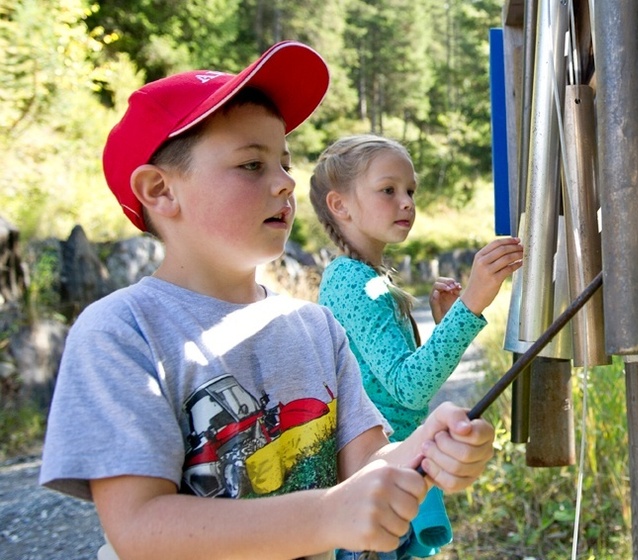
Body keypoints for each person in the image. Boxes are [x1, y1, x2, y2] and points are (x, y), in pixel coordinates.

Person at [38, 41, 495, 560]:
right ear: (161, 190)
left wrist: (430, 449)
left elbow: (368, 466)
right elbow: (140, 527)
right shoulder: (121, 332)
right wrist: (325, 516)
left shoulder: (317, 327)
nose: (285, 183)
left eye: (284, 161)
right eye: (252, 165)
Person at [308, 135, 523, 558]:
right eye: (388, 190)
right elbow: (409, 388)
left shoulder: (369, 277)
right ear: (340, 205)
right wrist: (472, 302)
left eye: (410, 191)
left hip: (391, 479)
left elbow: (393, 382)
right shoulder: (350, 281)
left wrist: (445, 323)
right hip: (371, 488)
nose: (406, 202)